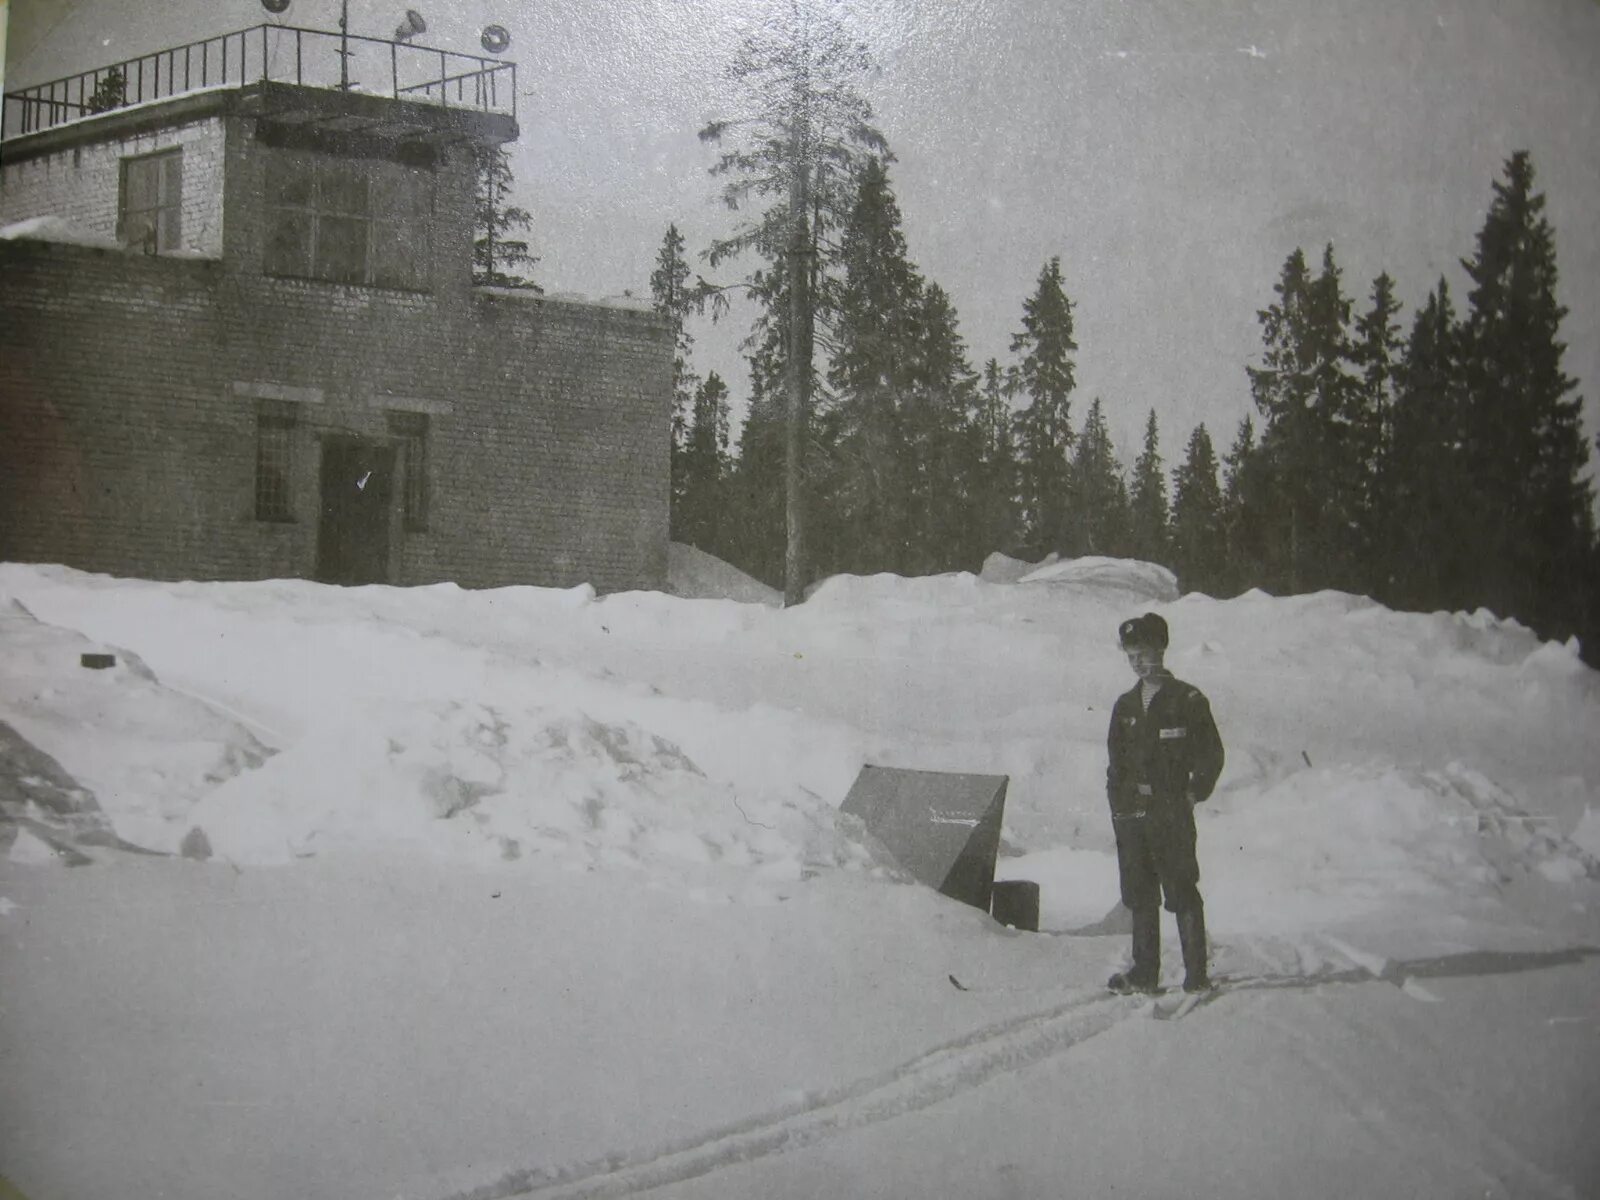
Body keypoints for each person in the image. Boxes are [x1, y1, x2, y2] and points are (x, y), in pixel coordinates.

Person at [1104, 612, 1224, 994]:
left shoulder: (1187, 700)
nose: (1138, 662)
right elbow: (1116, 763)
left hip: (1170, 809)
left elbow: (1211, 754)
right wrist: (1118, 807)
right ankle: (1144, 972)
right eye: (1131, 655)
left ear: (1161, 650)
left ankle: (1195, 975)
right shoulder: (1125, 706)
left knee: (1181, 887)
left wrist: (1193, 793)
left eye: (1144, 653)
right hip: (1133, 812)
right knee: (1140, 893)